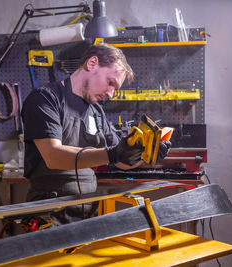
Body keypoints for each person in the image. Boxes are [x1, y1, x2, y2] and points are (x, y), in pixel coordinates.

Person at [21, 43, 170, 225]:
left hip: (87, 214)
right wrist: (112, 154)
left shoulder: (96, 112)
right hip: (48, 213)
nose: (111, 94)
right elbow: (53, 156)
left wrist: (145, 153)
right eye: (110, 83)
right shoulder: (46, 98)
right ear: (92, 63)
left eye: (116, 89)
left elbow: (122, 162)